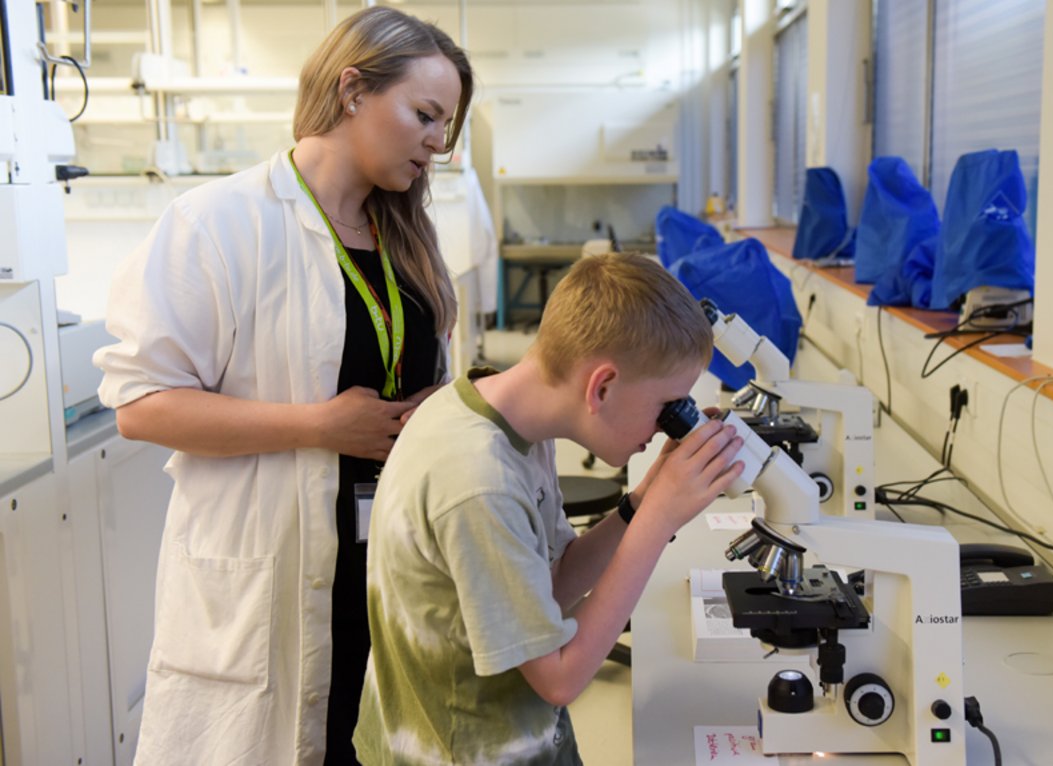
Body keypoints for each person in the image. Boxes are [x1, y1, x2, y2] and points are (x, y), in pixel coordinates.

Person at [93, 8, 473, 764]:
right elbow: (140, 406)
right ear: (354, 88)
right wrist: (318, 427)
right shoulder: (218, 225)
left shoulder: (410, 238)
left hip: (394, 569)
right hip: (273, 577)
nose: (439, 142)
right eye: (425, 115)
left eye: (448, 125)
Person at [353, 252, 746, 765]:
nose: (662, 427)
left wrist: (643, 501)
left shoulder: (508, 420)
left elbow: (551, 585)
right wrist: (658, 522)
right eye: (665, 407)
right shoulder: (478, 481)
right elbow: (559, 677)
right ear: (601, 387)